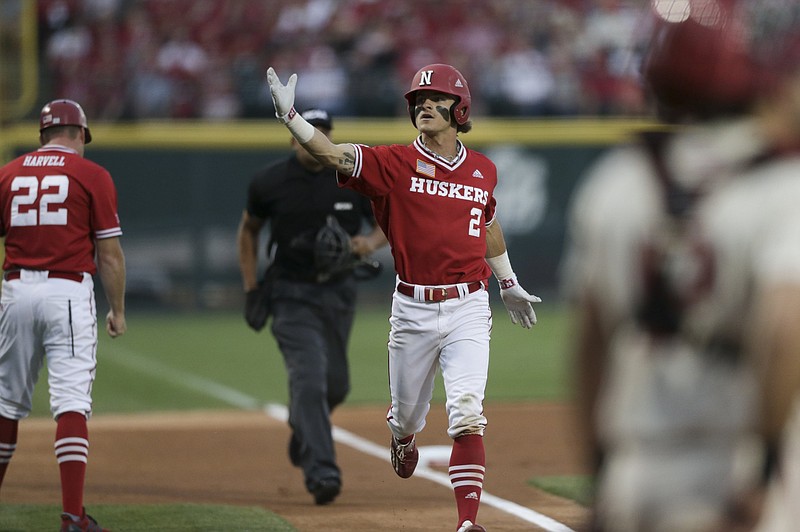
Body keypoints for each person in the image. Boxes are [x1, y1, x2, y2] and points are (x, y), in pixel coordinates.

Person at [266, 63, 541, 532]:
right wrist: (291, 116)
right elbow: (332, 155)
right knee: (407, 418)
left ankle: (468, 523)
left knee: (468, 412)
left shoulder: (483, 169)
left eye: (436, 99)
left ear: (461, 109)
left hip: (468, 305)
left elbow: (487, 223)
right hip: (412, 308)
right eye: (418, 99)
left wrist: (508, 282)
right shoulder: (391, 162)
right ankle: (402, 437)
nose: (425, 106)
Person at [561, 2, 800, 531]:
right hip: (730, 463)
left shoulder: (616, 181)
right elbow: (783, 334)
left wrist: (601, 472)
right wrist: (763, 474)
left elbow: (591, 348)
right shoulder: (783, 187)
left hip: (637, 466)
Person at [236, 108, 387, 506]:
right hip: (290, 292)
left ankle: (303, 429)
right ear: (293, 139)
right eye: (308, 132)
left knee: (337, 384)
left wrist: (368, 244)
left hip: (339, 291)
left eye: (322, 132)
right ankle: (322, 471)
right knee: (310, 379)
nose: (315, 137)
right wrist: (252, 288)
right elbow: (248, 231)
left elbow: (387, 221)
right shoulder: (270, 182)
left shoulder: (351, 179)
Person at [0, 99, 126, 532]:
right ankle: (73, 517)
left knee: (6, 403)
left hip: (15, 289)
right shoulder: (91, 175)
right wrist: (119, 311)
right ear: (79, 134)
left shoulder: (9, 172)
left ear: (42, 135)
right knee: (71, 402)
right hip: (67, 291)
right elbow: (109, 256)